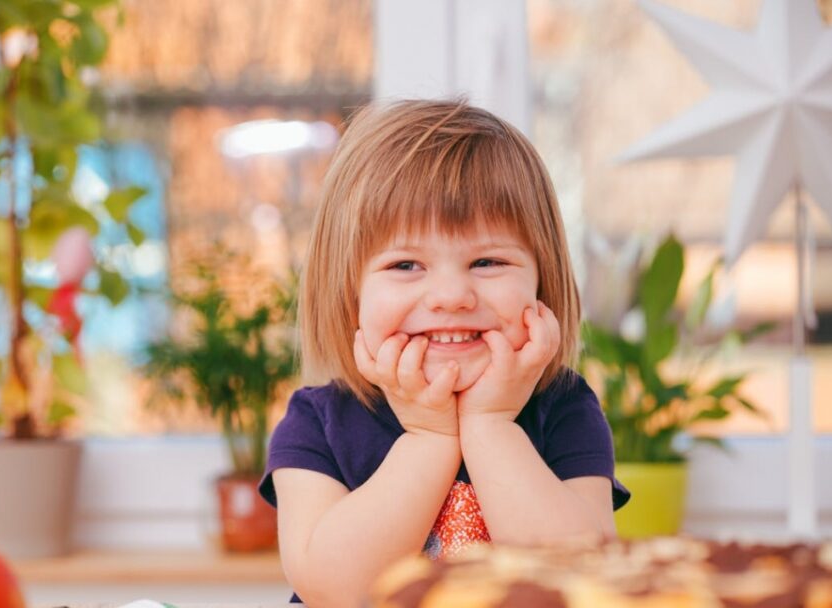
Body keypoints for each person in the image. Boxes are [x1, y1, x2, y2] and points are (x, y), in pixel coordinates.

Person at [257, 99, 630, 607]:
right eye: (407, 265)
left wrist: (491, 425)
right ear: (351, 294)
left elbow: (579, 579)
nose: (452, 296)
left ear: (542, 283)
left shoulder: (565, 408)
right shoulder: (317, 422)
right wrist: (429, 437)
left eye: (487, 261)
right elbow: (332, 588)